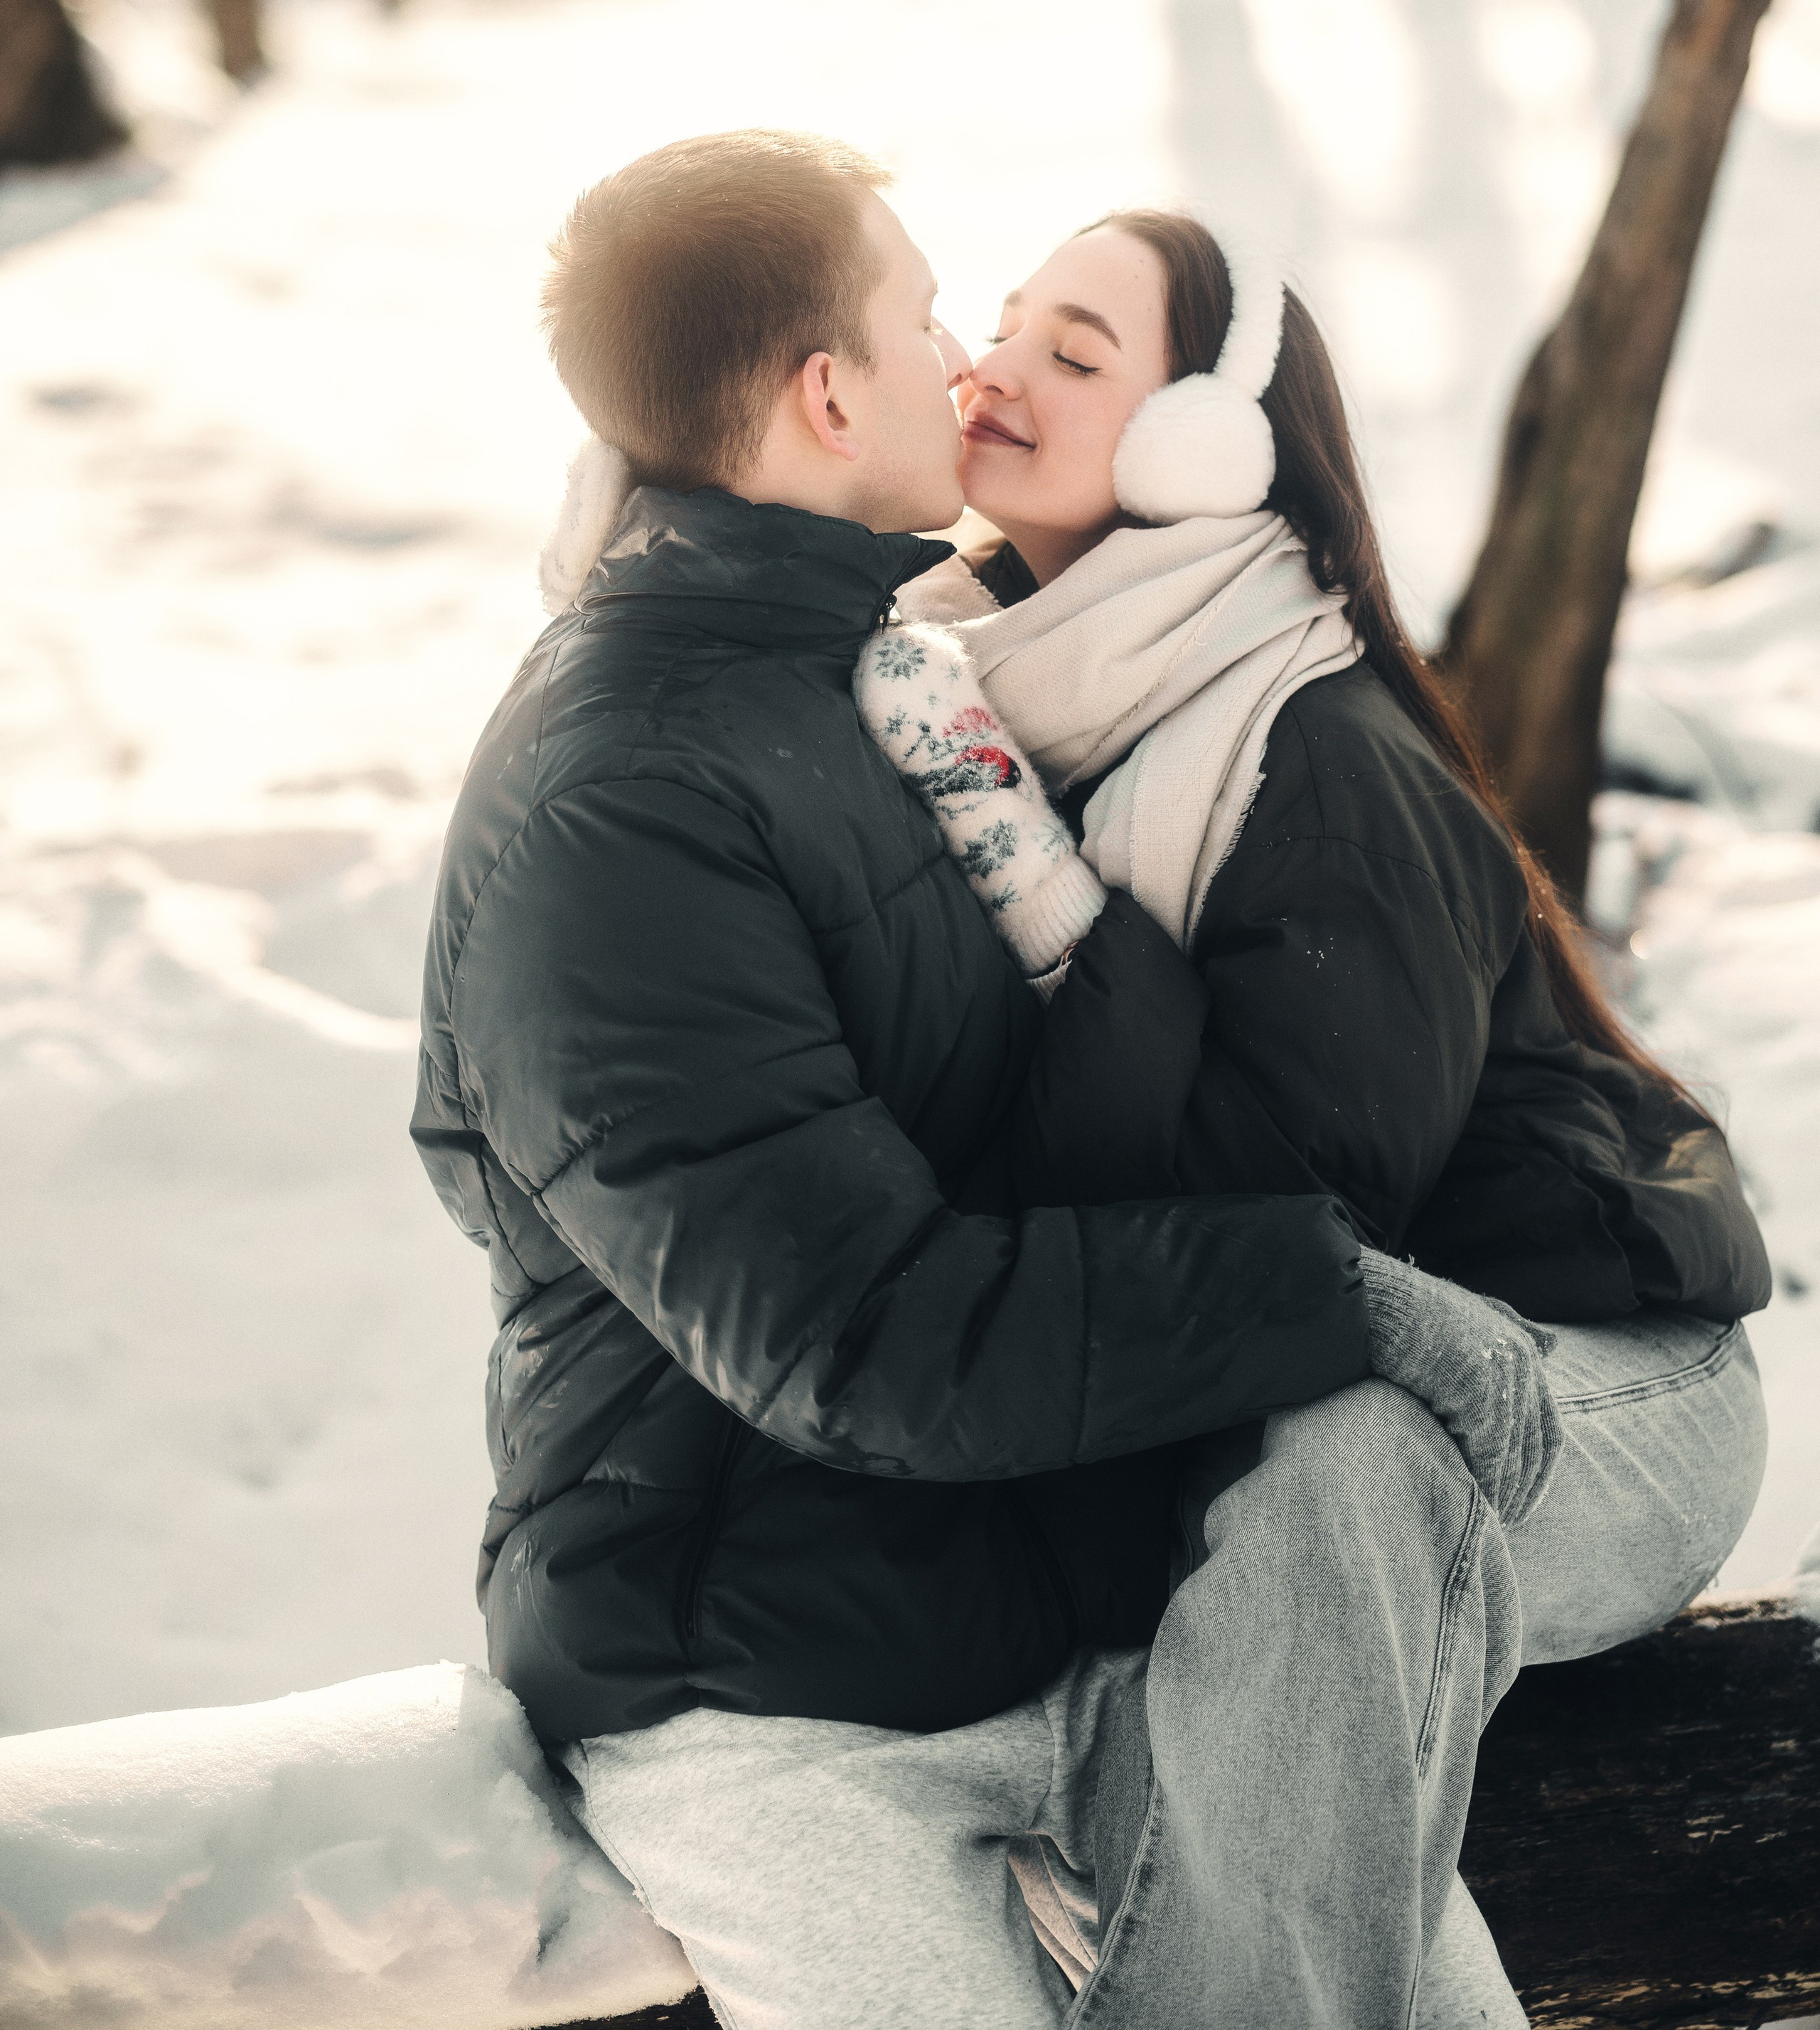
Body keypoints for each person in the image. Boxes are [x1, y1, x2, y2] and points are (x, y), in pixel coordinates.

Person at [412, 132, 1639, 2030]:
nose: (958, 363)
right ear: (829, 393)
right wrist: (1337, 1294)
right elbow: (863, 1338)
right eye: (924, 321)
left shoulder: (888, 677)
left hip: (1042, 1619)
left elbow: (1026, 1142)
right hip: (767, 1692)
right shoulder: (625, 802)